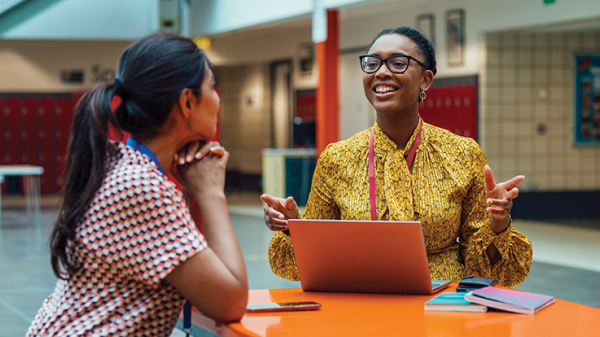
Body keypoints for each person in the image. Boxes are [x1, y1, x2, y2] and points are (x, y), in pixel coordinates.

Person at [261, 27, 532, 288]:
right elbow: (315, 257)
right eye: (372, 63)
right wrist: (292, 225)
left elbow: (483, 267)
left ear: (425, 79)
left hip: (442, 305)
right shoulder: (337, 158)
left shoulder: (462, 154)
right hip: (361, 299)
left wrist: (499, 221)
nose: (381, 72)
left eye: (398, 63)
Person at [27, 34, 248, 336]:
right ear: (187, 102)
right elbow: (230, 301)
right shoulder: (139, 186)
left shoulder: (123, 165)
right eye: (212, 86)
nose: (217, 97)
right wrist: (211, 193)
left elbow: (203, 281)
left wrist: (193, 195)